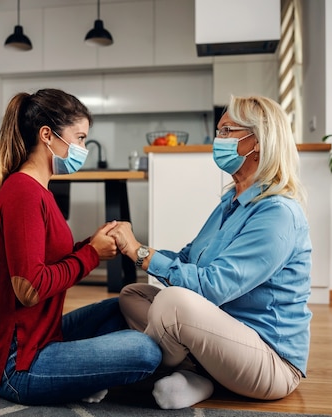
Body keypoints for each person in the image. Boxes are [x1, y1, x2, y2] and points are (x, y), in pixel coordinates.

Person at [107, 95, 312, 409]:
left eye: (227, 131)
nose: (218, 140)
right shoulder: (230, 202)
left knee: (173, 303)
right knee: (133, 294)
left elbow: (210, 288)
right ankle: (199, 377)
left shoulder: (278, 213)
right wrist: (138, 249)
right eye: (219, 132)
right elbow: (189, 259)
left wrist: (140, 254)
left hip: (271, 361)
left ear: (256, 142)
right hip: (221, 336)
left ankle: (113, 374)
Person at [0, 88, 162, 405]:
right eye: (78, 138)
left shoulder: (39, 191)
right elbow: (30, 288)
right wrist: (91, 254)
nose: (82, 148)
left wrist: (92, 242)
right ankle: (81, 380)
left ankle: (81, 379)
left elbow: (49, 257)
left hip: (42, 336)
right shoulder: (23, 192)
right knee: (144, 351)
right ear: (47, 135)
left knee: (124, 306)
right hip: (18, 365)